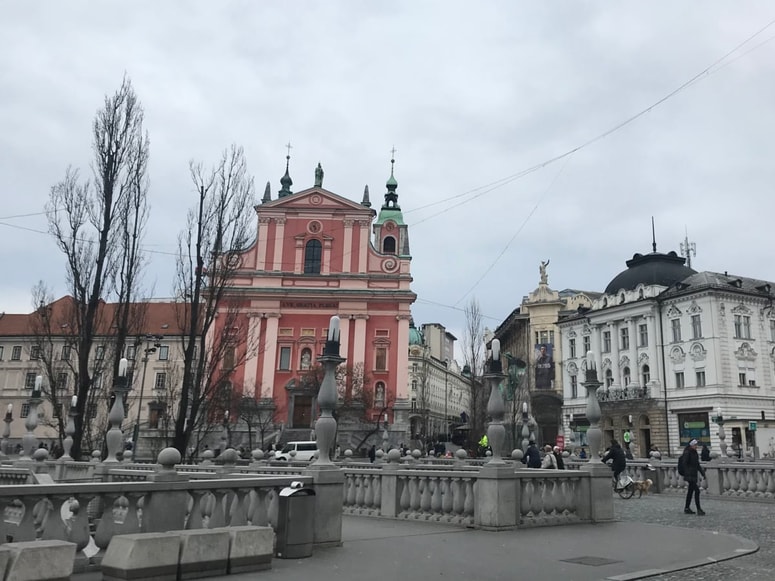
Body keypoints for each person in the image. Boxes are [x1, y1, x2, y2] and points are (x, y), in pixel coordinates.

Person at [681, 439, 706, 515]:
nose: (696, 446)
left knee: (690, 492)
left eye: (696, 445)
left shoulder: (694, 453)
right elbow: (684, 464)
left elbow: (697, 464)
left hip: (693, 475)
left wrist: (702, 473)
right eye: (695, 445)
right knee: (697, 491)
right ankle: (699, 509)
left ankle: (687, 508)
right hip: (689, 475)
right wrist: (687, 473)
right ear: (691, 445)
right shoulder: (687, 452)